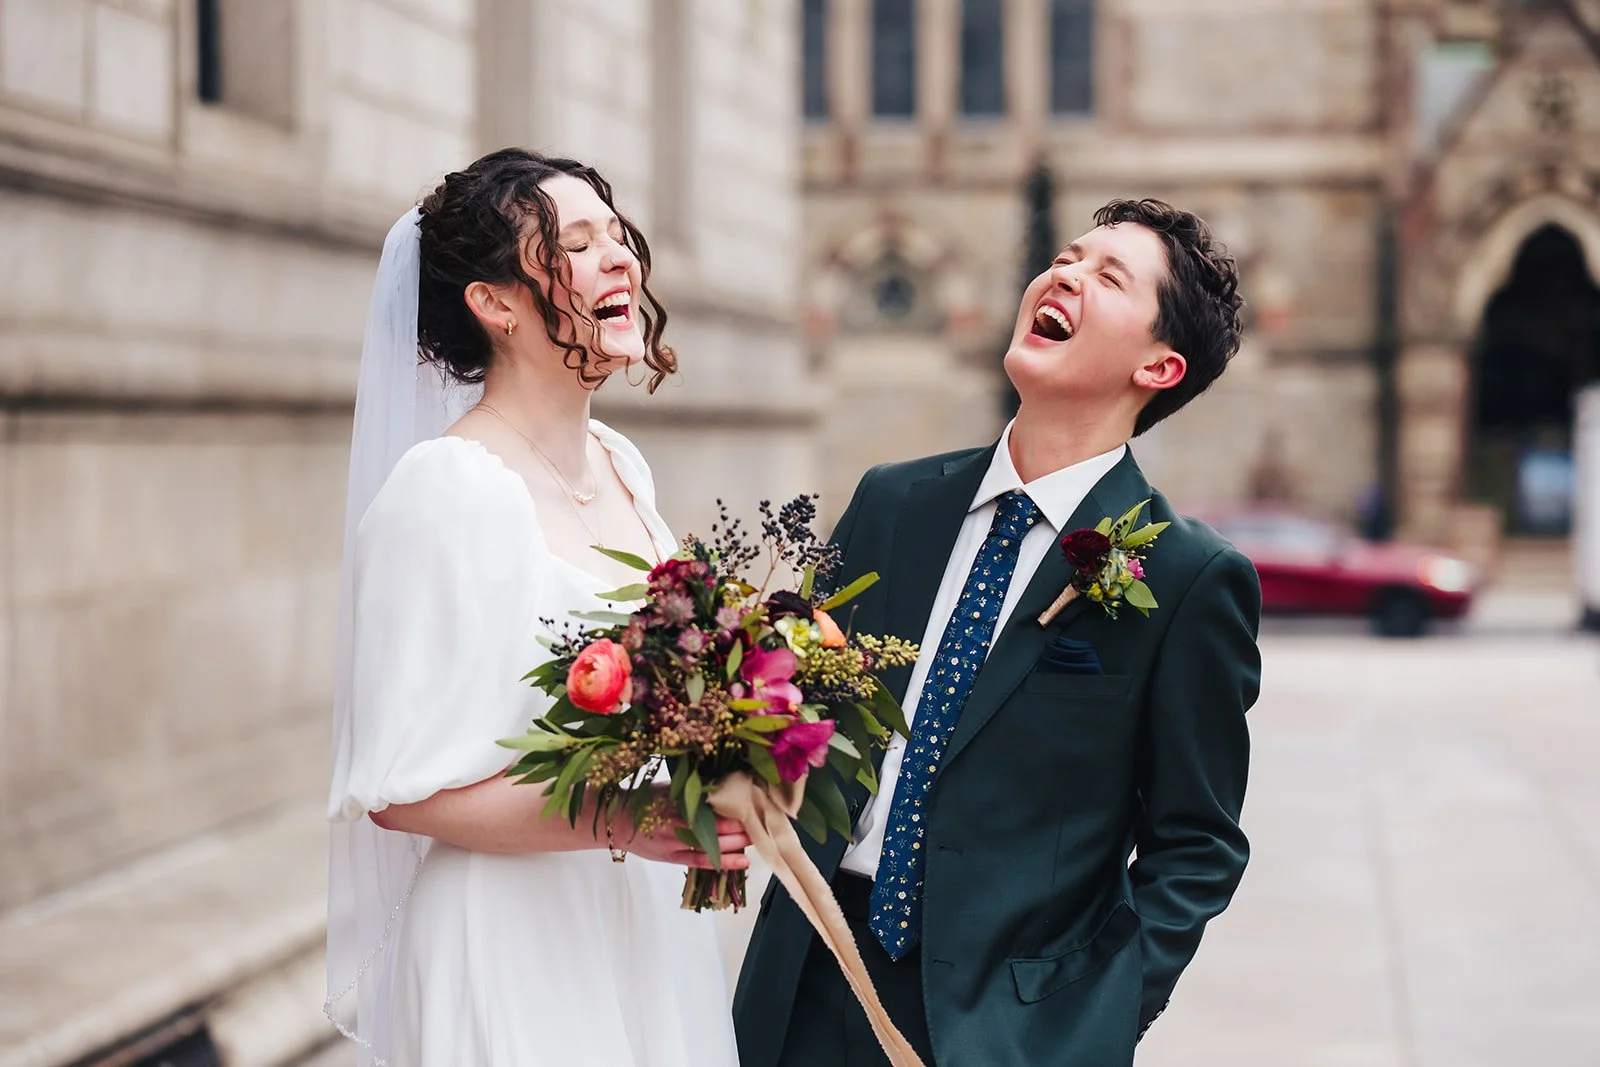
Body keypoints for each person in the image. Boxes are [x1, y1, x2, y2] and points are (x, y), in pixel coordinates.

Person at [736, 198, 1262, 1066]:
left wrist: (1095, 1016)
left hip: (1002, 1030)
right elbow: (796, 707)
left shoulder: (1184, 576)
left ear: (1160, 366)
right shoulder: (891, 502)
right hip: (804, 985)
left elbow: (1198, 842)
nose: (1066, 275)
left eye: (1109, 276)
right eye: (1067, 257)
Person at [324, 148, 744, 1067]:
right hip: (510, 938)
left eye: (617, 233)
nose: (622, 256)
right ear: (497, 302)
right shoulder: (445, 489)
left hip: (636, 919)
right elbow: (402, 794)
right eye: (577, 243)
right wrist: (627, 818)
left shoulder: (622, 465)